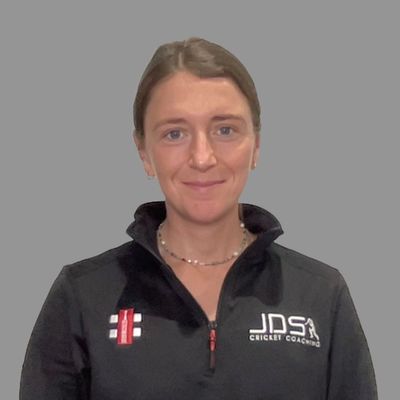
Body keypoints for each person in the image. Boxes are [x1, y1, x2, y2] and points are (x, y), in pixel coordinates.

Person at [19, 37, 378, 399]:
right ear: (144, 152)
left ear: (256, 145)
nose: (202, 157)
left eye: (225, 130)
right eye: (174, 134)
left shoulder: (321, 295)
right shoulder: (83, 296)